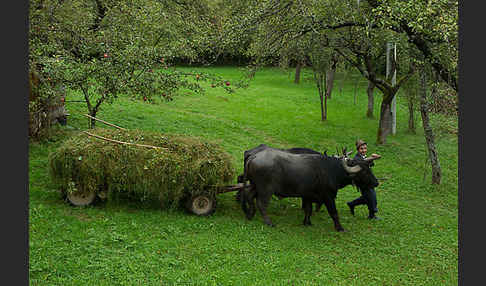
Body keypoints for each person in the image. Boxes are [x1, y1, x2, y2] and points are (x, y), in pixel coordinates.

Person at [346, 139, 382, 220]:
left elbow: (369, 165)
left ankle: (351, 204)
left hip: (368, 180)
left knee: (366, 198)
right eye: (361, 149)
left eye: (365, 148)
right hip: (363, 182)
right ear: (358, 150)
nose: (364, 150)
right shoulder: (357, 159)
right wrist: (372, 158)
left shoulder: (364, 157)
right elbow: (362, 163)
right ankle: (372, 215)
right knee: (372, 198)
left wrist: (371, 159)